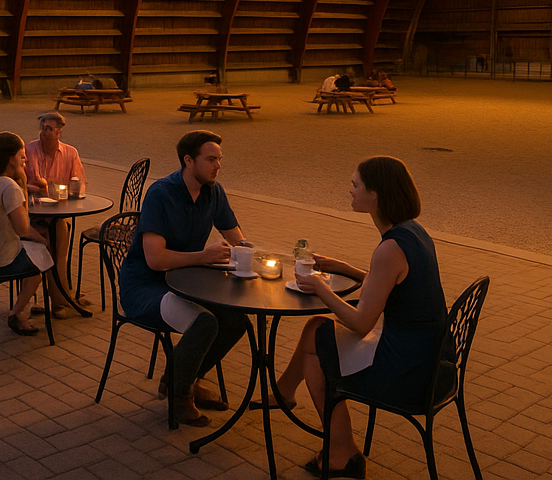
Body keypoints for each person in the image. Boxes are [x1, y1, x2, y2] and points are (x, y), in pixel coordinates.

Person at [273, 157, 448, 479]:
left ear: (376, 193)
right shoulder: (413, 232)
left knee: (318, 352)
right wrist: (342, 268)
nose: (350, 190)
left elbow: (360, 323)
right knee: (316, 330)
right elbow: (390, 282)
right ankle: (283, 392)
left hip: (409, 375)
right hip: (432, 360)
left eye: (356, 184)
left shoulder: (390, 248)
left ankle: (342, 452)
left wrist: (319, 287)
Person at [118, 130, 248, 427]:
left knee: (235, 319)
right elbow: (155, 259)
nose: (218, 166)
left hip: (185, 282)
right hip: (146, 286)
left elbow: (237, 240)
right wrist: (203, 257)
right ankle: (179, 398)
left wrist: (251, 257)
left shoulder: (213, 191)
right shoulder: (161, 193)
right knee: (205, 322)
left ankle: (184, 378)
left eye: (220, 159)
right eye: (211, 159)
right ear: (189, 161)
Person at [0, 131, 54, 336]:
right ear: (10, 159)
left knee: (34, 249)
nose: (25, 159)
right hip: (0, 259)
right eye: (21, 155)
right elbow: (23, 229)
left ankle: (27, 302)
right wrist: (23, 183)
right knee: (40, 259)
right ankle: (17, 313)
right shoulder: (9, 187)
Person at [23, 110, 89, 315]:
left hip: (59, 213)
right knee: (57, 241)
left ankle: (59, 298)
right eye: (43, 128)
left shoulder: (70, 153)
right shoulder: (29, 150)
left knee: (58, 235)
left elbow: (80, 183)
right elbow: (20, 182)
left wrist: (68, 190)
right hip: (32, 217)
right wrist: (37, 188)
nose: (44, 132)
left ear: (59, 132)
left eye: (49, 129)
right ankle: (61, 301)